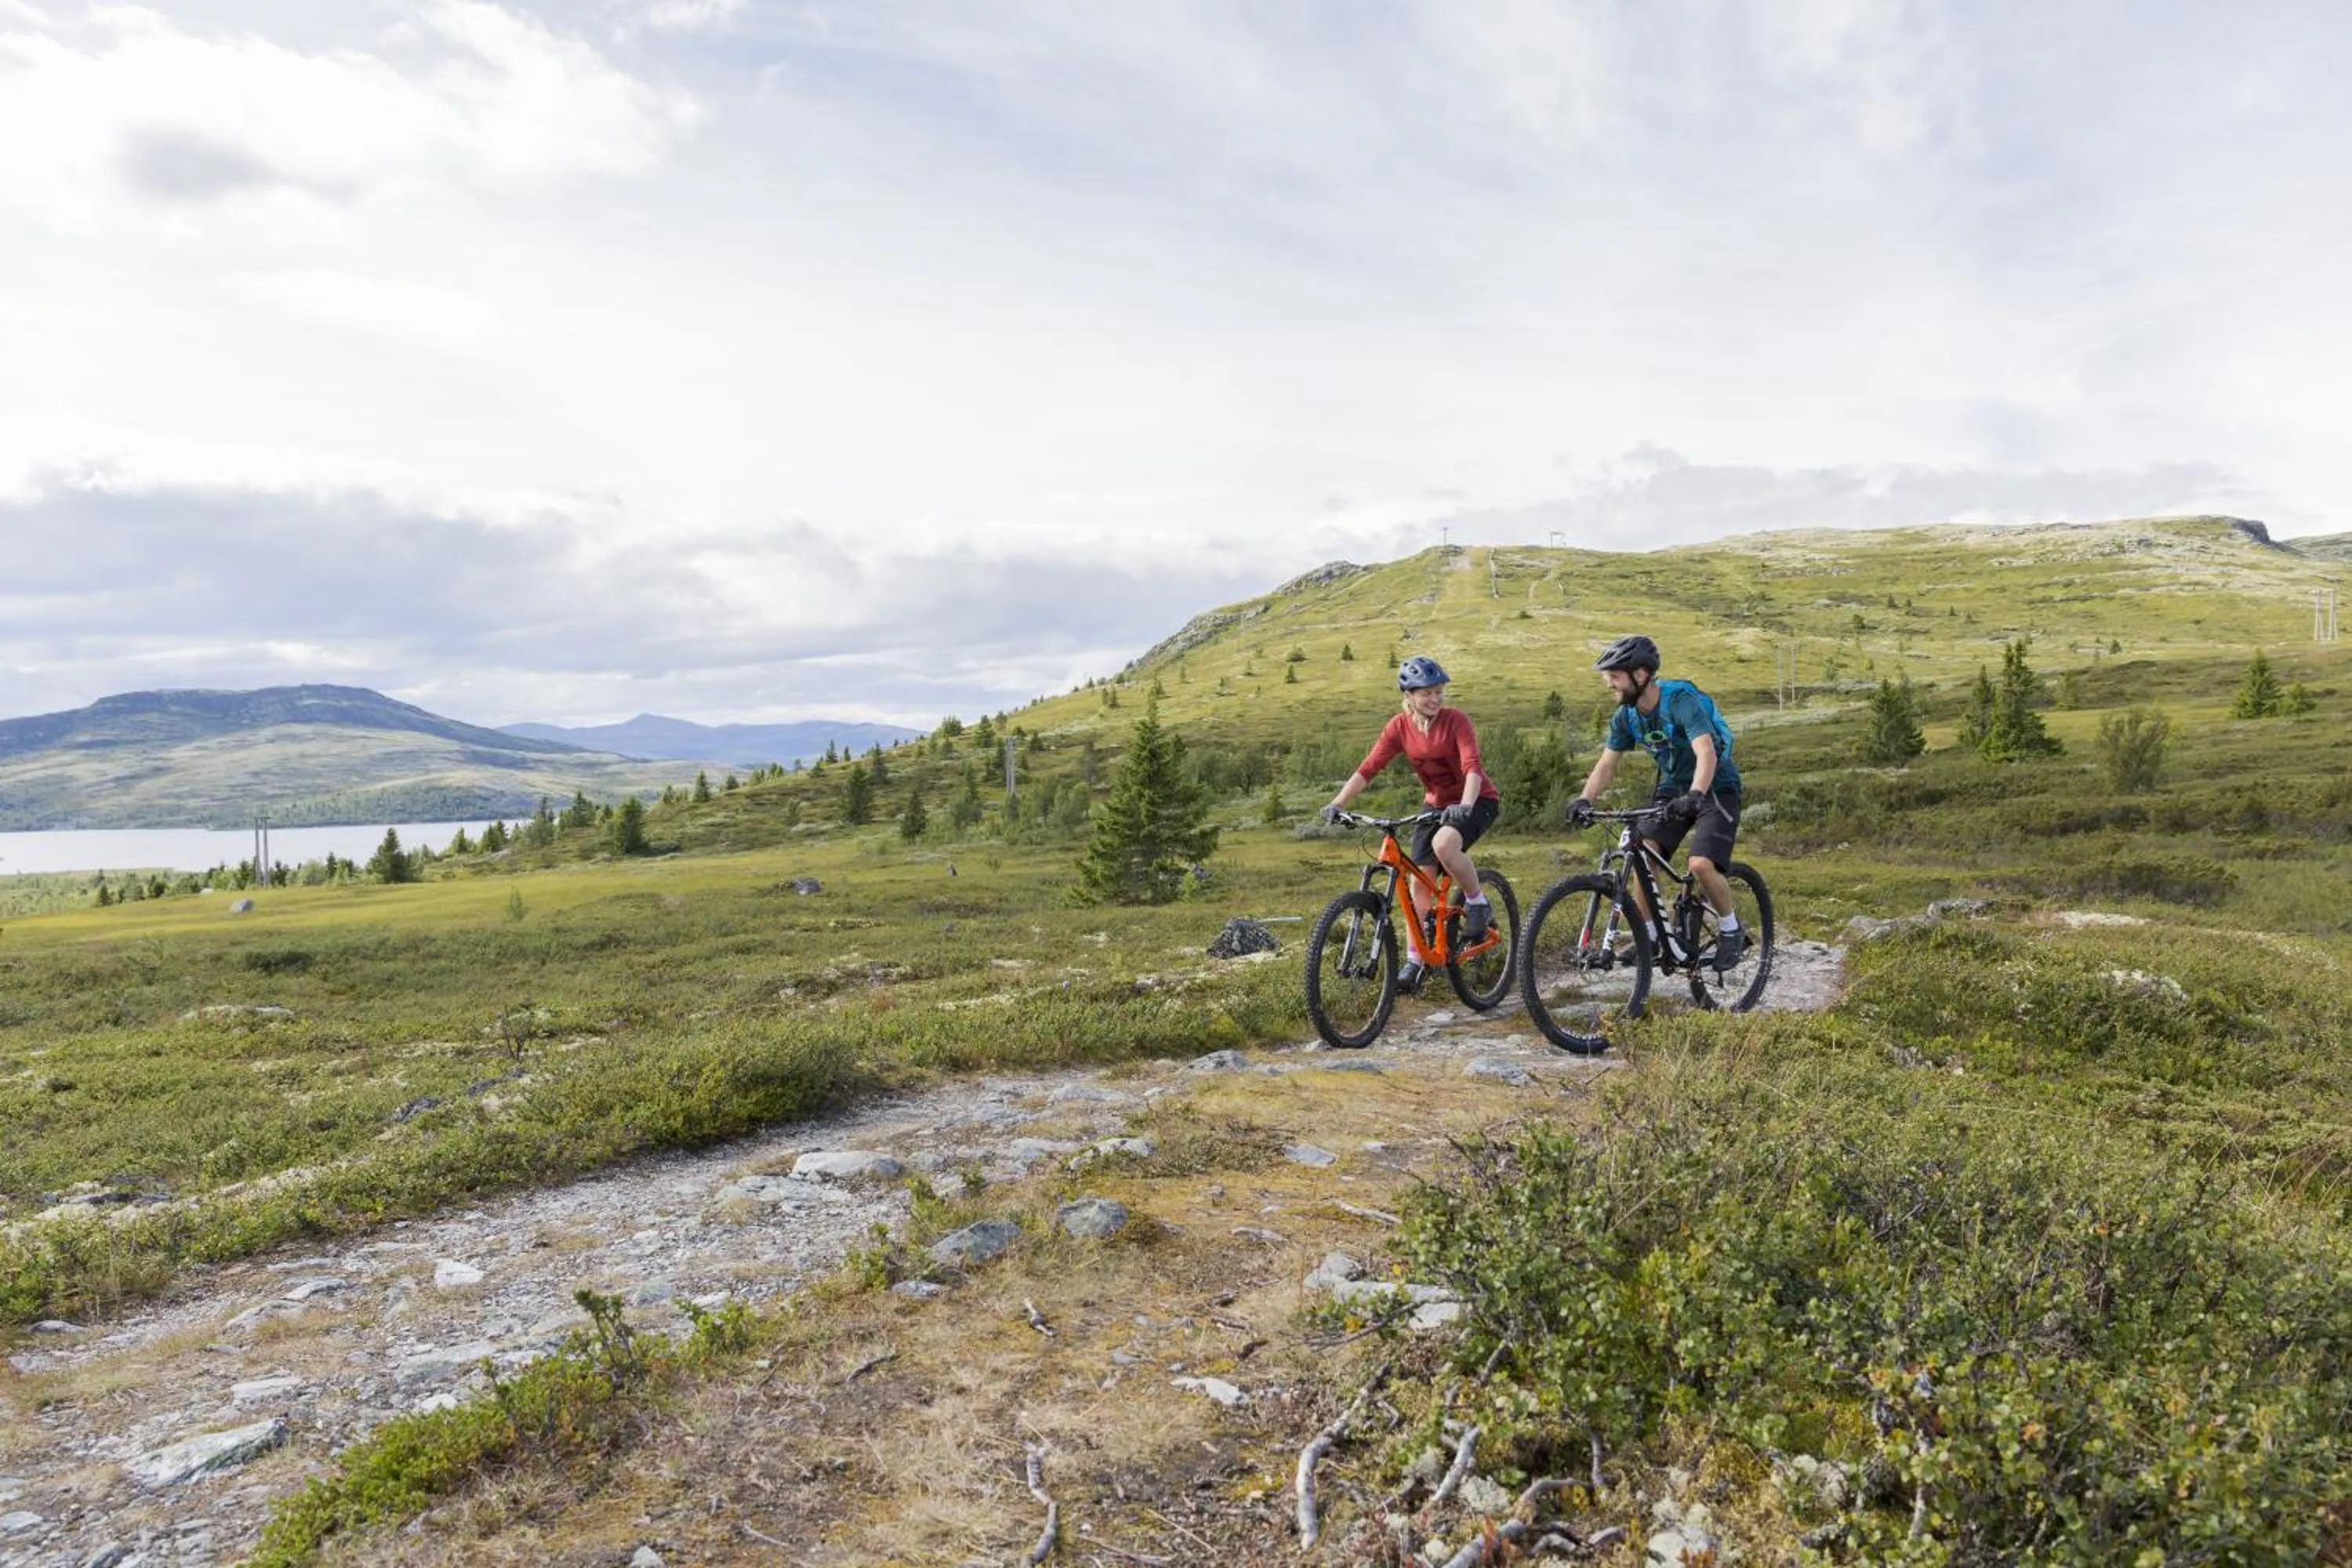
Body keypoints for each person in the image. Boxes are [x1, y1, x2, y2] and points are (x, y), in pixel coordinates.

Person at [1320, 655, 1502, 992]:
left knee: (1444, 844)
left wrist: (1465, 805)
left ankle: (1477, 901)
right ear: (1408, 695)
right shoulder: (1399, 727)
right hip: (1435, 805)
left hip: (1476, 801)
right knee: (1419, 883)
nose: (1434, 699)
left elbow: (1472, 767)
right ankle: (1416, 961)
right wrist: (1337, 803)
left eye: (1438, 691)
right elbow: (1368, 768)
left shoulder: (1456, 721)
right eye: (1426, 693)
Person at [1566, 634, 1748, 970]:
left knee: (1701, 865)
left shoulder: (1679, 701)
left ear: (1641, 674)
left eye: (1615, 676)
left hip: (1716, 786)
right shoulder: (1627, 716)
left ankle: (1731, 929)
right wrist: (1584, 799)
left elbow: (1705, 751)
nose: (1610, 684)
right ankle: (1649, 937)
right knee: (1643, 849)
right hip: (1672, 787)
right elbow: (1607, 764)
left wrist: (1695, 795)